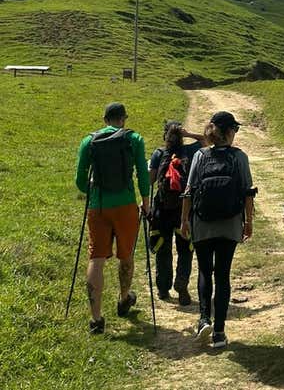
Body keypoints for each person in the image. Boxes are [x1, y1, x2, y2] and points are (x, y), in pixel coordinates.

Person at [180, 111, 255, 348]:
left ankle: (204, 319)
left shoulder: (200, 155)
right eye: (235, 130)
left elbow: (189, 191)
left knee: (204, 271)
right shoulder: (239, 157)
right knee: (222, 274)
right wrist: (248, 222)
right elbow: (247, 193)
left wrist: (184, 221)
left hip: (202, 222)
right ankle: (220, 333)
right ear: (229, 132)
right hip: (230, 223)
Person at [75, 102, 150, 334]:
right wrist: (145, 201)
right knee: (125, 255)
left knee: (96, 259)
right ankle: (124, 298)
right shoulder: (134, 139)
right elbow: (143, 174)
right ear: (123, 119)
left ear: (105, 119)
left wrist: (94, 191)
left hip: (98, 208)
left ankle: (96, 319)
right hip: (126, 205)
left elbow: (79, 181)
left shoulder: (89, 141)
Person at [148, 121, 206, 305]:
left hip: (163, 209)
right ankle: (182, 283)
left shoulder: (158, 154)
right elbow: (206, 139)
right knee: (185, 249)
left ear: (165, 136)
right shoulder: (190, 152)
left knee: (163, 248)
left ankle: (163, 288)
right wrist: (189, 134)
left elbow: (150, 180)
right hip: (185, 209)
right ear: (181, 136)